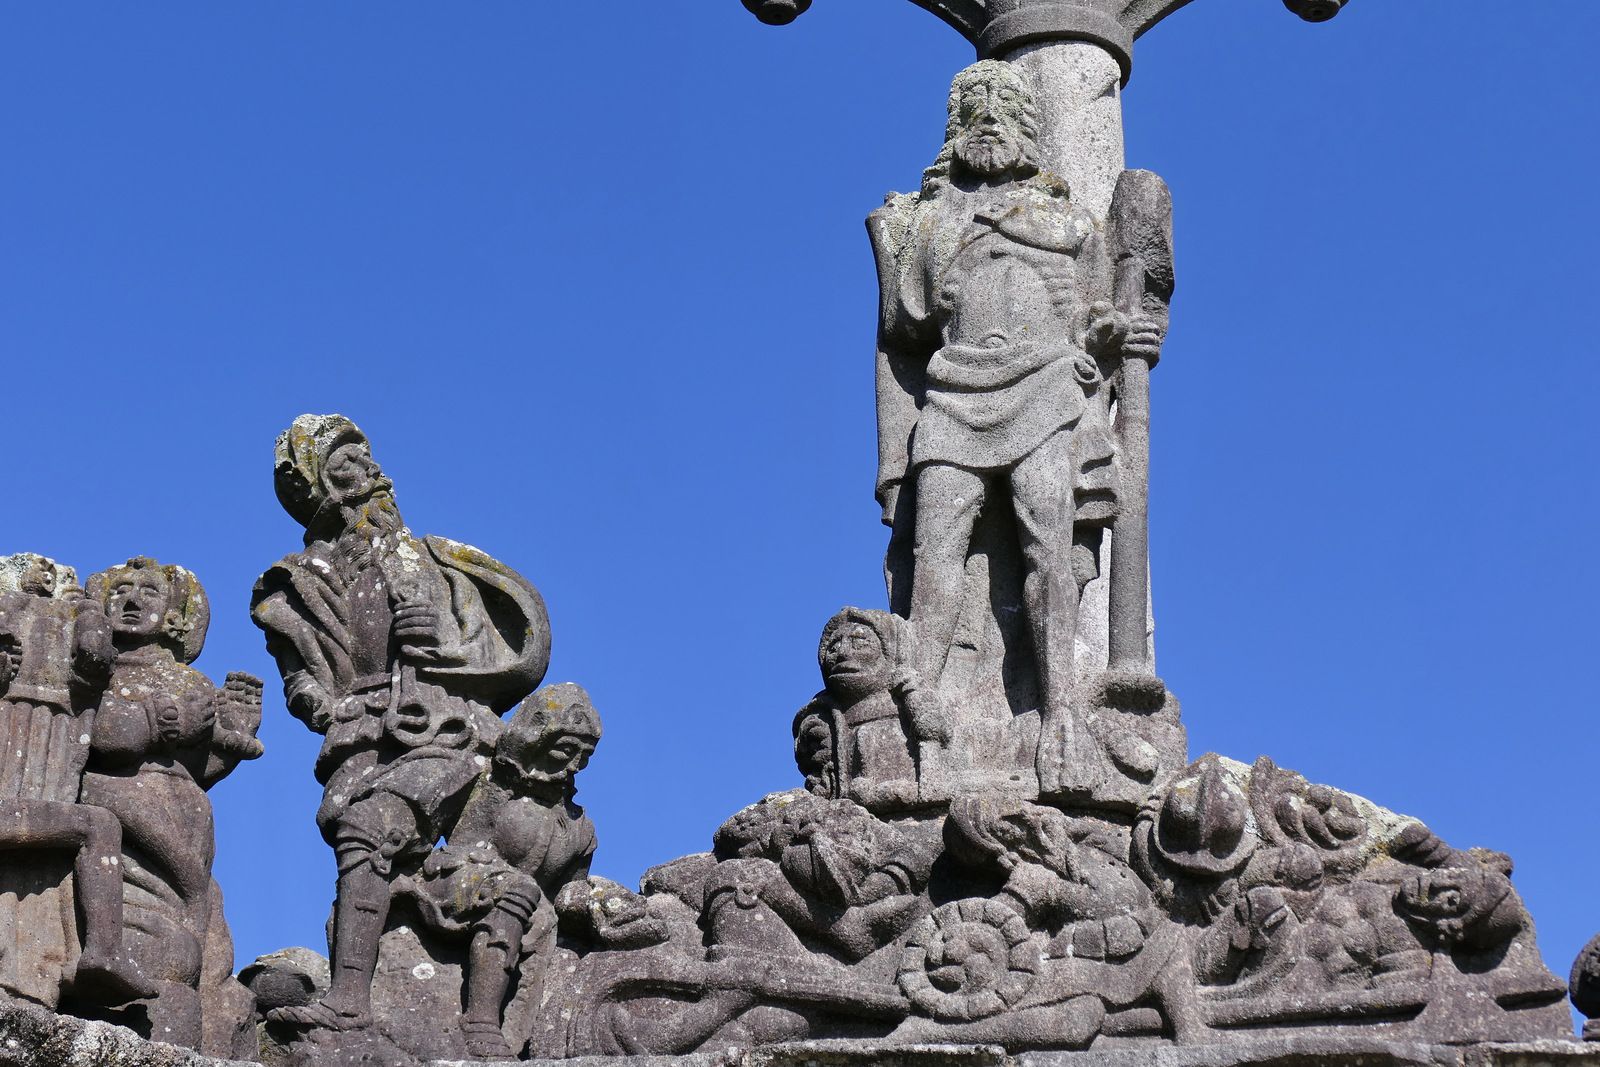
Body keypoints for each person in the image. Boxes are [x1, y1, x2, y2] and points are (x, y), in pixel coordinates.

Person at [868, 60, 1163, 797]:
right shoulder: (932, 218)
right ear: (955, 126)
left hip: (1045, 388)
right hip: (957, 390)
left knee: (1050, 548)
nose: (990, 118)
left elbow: (1098, 314)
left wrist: (1125, 330)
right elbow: (909, 317)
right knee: (934, 547)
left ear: (1028, 125)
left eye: (1005, 105)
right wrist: (907, 233)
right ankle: (916, 698)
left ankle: (1062, 709)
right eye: (975, 106)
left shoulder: (1066, 219)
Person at [251, 414, 550, 1035]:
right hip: (358, 731)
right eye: (346, 467)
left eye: (367, 460)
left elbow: (513, 641)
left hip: (446, 727)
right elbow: (297, 679)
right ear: (320, 492)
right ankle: (404, 988)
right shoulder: (293, 584)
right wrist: (319, 705)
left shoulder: (432, 559)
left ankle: (358, 1002)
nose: (372, 476)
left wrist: (445, 645)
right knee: (370, 850)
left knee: (370, 828)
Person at [80, 557, 263, 1050]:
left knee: (195, 918)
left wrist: (233, 740)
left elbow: (197, 769)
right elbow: (98, 742)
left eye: (149, 593)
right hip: (118, 809)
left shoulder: (188, 681)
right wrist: (155, 724)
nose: (132, 601)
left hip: (179, 810)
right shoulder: (88, 673)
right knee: (150, 923)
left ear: (179, 617)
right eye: (120, 591)